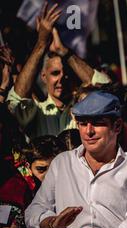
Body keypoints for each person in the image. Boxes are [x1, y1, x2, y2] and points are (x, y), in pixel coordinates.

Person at [25, 91, 127, 228]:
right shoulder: (62, 163)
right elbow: (34, 210)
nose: (88, 131)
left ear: (117, 126)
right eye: (82, 123)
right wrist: (51, 223)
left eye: (98, 123)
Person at [6, 2, 110, 138]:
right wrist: (41, 43)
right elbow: (16, 102)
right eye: (55, 73)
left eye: (66, 73)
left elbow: (108, 91)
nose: (61, 78)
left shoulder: (84, 111)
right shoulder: (36, 112)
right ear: (44, 76)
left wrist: (65, 52)